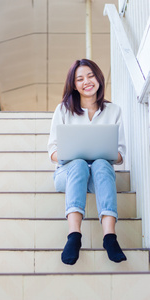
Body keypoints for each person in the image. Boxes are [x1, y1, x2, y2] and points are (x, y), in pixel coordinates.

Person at [47, 58, 127, 265]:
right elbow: (53, 152)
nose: (87, 82)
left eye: (90, 76)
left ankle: (110, 237)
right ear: (74, 85)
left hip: (99, 177)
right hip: (68, 174)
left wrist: (103, 152)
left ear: (99, 78)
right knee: (80, 164)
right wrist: (73, 154)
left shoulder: (114, 111)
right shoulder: (63, 110)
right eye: (80, 79)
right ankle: (74, 236)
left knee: (101, 163)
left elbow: (119, 156)